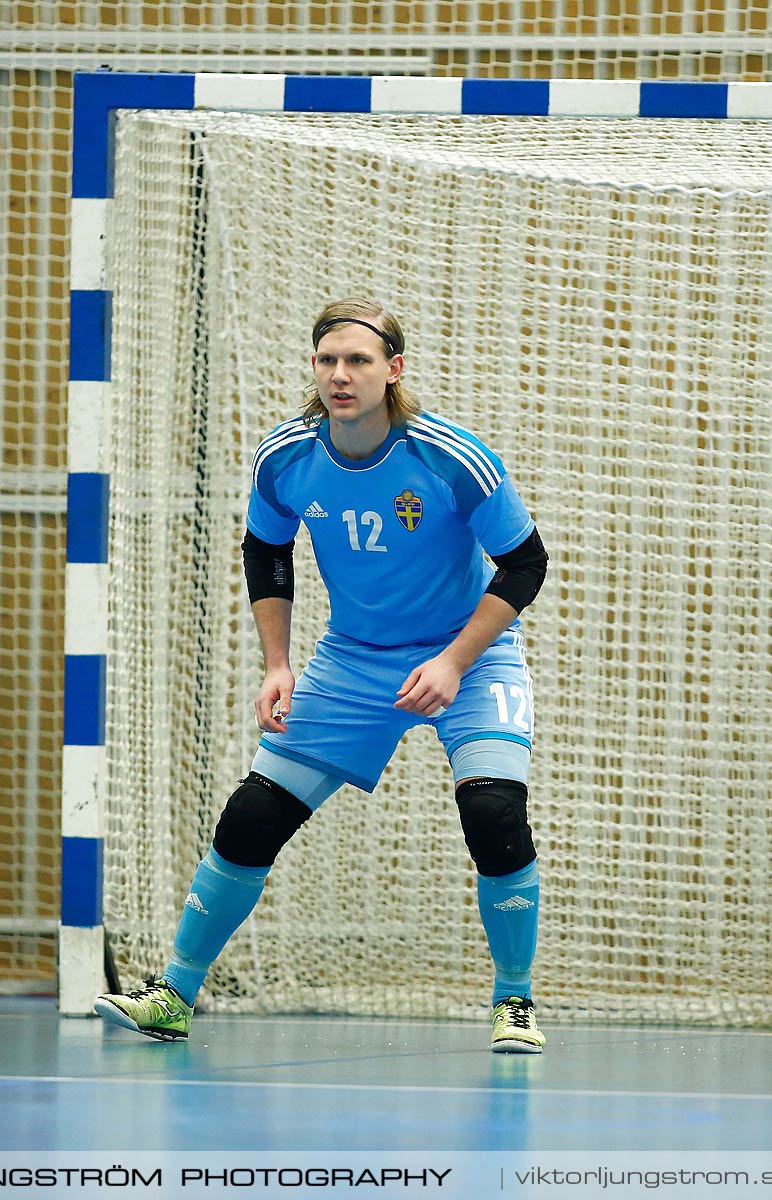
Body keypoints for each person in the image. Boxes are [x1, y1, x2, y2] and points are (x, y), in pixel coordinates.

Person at [95, 298, 552, 1052]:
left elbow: (525, 564)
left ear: (393, 371)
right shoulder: (286, 457)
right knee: (250, 819)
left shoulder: (452, 457)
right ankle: (174, 994)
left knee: (495, 817)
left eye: (359, 361)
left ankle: (515, 1002)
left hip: (467, 655)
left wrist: (453, 660)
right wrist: (277, 664)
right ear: (314, 368)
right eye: (328, 360)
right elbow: (265, 552)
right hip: (351, 661)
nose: (341, 375)